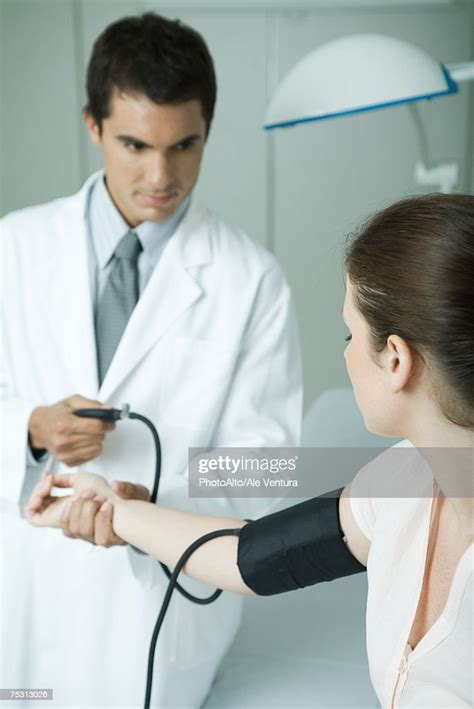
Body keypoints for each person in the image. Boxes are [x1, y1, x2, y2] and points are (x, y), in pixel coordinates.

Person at [27, 194, 473, 707]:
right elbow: (252, 556)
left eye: (349, 333)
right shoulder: (402, 481)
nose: (347, 352)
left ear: (396, 360)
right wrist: (114, 507)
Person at [0, 12, 302, 709]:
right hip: (27, 594)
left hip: (157, 609)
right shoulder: (14, 249)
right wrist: (33, 428)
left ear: (207, 132)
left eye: (185, 145)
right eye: (135, 144)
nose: (161, 176)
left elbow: (272, 462)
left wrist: (154, 504)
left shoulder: (251, 280)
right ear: (93, 126)